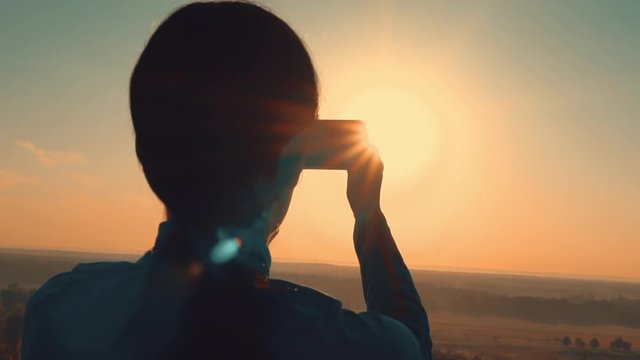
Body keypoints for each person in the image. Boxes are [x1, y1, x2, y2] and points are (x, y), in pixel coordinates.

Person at [22, 2, 432, 359]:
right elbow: (410, 340)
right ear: (293, 165)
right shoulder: (354, 346)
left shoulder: (59, 311)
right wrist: (367, 214)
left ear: (146, 158)